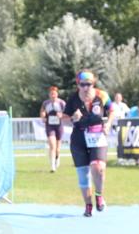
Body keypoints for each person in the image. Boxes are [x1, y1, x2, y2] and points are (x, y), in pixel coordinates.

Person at [63, 70, 111, 217]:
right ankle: (88, 205)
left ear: (93, 84)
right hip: (79, 137)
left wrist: (108, 123)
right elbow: (63, 118)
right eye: (82, 85)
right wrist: (72, 118)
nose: (86, 88)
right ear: (78, 84)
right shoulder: (73, 99)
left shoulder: (102, 96)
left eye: (89, 84)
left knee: (98, 167)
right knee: (83, 174)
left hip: (97, 135)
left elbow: (112, 110)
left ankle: (99, 195)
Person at [40, 86, 65, 172]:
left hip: (59, 126)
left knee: (58, 148)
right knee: (52, 145)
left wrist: (61, 115)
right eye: (51, 94)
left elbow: (66, 113)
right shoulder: (46, 103)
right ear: (49, 94)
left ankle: (57, 158)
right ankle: (52, 166)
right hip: (50, 126)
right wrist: (43, 116)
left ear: (57, 94)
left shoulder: (62, 103)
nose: (53, 95)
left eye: (54, 94)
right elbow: (42, 111)